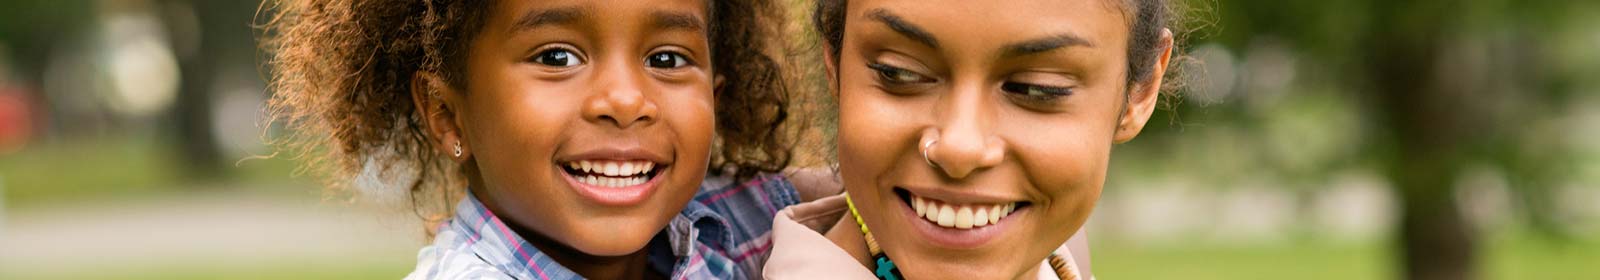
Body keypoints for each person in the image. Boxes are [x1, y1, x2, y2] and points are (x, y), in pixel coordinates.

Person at [262, 0, 804, 278]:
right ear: (447, 113)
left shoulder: (755, 223)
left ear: (715, 94)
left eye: (666, 59)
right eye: (556, 57)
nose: (623, 101)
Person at [766, 0, 1186, 279]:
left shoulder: (1060, 252)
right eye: (900, 73)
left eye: (1036, 88)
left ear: (1141, 90)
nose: (959, 146)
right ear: (834, 63)